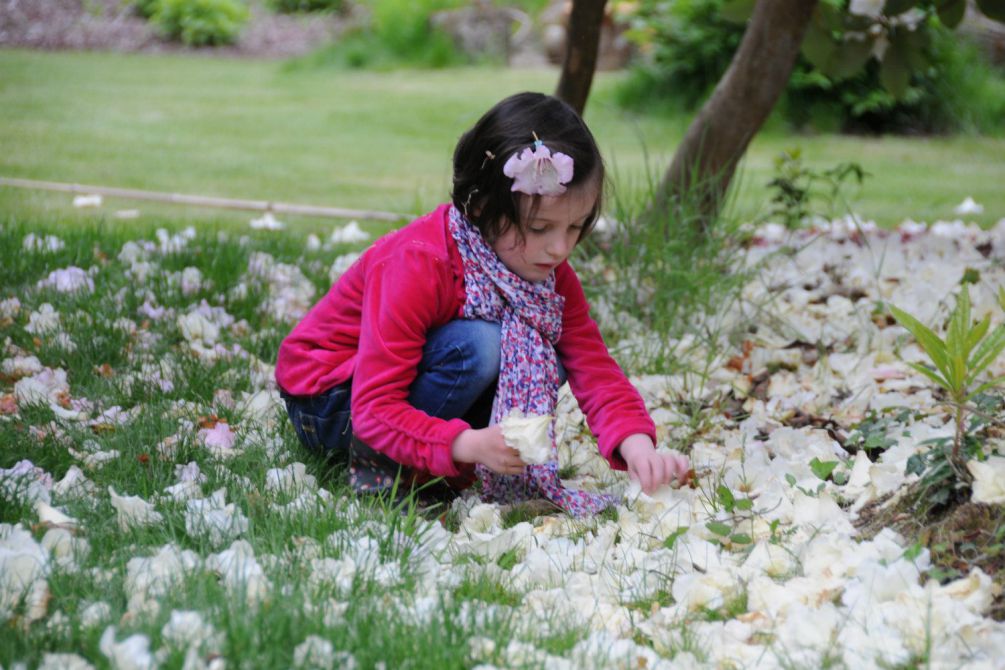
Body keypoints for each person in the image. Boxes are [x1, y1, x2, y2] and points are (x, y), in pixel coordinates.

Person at [276, 92, 689, 516]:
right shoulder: (418, 262)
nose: (560, 247)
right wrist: (466, 445)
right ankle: (391, 471)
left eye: (576, 226)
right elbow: (374, 407)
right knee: (480, 345)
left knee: (550, 353)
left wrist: (639, 448)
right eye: (541, 227)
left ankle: (435, 459)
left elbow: (595, 368)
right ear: (482, 207)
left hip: (392, 398)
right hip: (331, 403)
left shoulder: (546, 274)